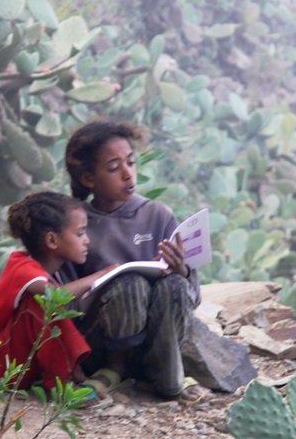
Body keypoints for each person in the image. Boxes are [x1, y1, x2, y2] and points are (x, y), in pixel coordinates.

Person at [57, 119, 205, 405]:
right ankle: (115, 369)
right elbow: (64, 302)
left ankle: (167, 373)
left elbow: (194, 296)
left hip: (158, 339)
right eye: (114, 168)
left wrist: (182, 270)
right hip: (101, 342)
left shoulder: (157, 215)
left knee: (175, 285)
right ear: (88, 179)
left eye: (131, 162)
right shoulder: (77, 224)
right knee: (130, 284)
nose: (128, 174)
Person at [0, 191, 117, 391]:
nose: (87, 241)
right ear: (52, 240)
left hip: (14, 360)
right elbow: (56, 297)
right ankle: (61, 385)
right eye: (80, 233)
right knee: (43, 306)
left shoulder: (50, 271)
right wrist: (102, 274)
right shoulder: (22, 268)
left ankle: (71, 371)